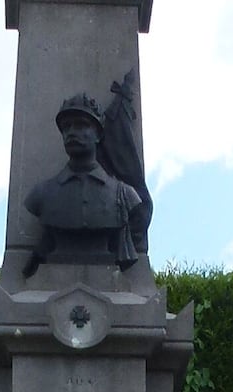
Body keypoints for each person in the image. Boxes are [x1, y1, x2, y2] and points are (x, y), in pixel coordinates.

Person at [24, 93, 144, 270]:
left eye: (81, 125)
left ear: (98, 135)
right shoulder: (41, 194)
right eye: (66, 127)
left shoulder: (124, 195)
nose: (72, 132)